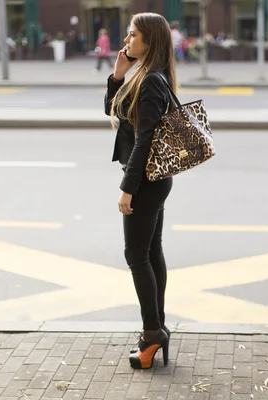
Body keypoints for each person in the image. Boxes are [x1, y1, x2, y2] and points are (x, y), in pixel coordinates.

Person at [104, 12, 176, 370]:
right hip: (152, 180)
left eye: (133, 36)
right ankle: (157, 326)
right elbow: (113, 112)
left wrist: (127, 189)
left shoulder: (152, 82)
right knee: (151, 253)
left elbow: (145, 140)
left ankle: (152, 334)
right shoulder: (146, 77)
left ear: (149, 40)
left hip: (146, 182)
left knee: (136, 256)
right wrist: (118, 75)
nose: (127, 41)